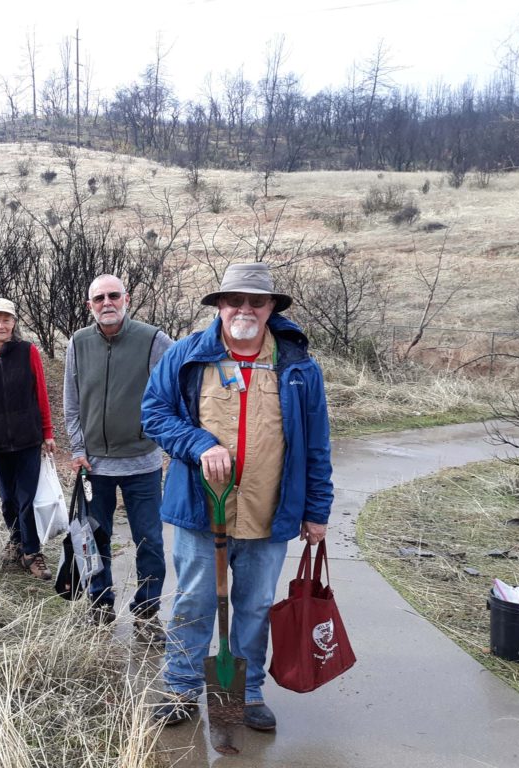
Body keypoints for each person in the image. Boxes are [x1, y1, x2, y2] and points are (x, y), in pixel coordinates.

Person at [141, 262, 333, 731]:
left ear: (271, 308)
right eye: (235, 300)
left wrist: (317, 510)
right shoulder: (188, 356)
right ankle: (182, 686)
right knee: (193, 602)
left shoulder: (298, 368)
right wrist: (200, 443)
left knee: (254, 607)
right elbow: (154, 413)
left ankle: (245, 694)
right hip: (200, 512)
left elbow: (317, 444)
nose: (244, 309)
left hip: (269, 513)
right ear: (220, 306)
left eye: (256, 301)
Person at [63, 274, 173, 642]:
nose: (107, 303)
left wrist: (166, 439)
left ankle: (146, 612)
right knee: (96, 538)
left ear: (127, 298)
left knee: (150, 540)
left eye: (113, 296)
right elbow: (72, 404)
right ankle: (100, 604)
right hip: (95, 466)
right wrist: (78, 449)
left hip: (143, 461)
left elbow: (175, 388)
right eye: (99, 298)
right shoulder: (78, 343)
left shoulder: (153, 340)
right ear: (89, 305)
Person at [0, 298, 56, 580]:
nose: (1, 325)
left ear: (14, 323)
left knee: (26, 499)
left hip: (27, 438)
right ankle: (17, 540)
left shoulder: (27, 351)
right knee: (7, 499)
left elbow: (41, 393)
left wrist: (47, 433)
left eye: (6, 319)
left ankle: (32, 552)